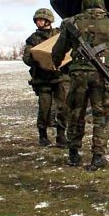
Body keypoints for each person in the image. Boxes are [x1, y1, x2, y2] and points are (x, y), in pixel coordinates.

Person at [51, 0, 109, 171]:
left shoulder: (72, 22)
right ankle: (98, 156)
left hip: (78, 74)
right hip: (101, 75)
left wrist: (56, 63)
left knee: (76, 112)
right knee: (101, 115)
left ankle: (73, 153)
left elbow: (58, 49)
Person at [22, 8, 68, 147]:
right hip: (43, 79)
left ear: (48, 20)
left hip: (59, 77)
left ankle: (61, 136)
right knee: (44, 108)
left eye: (41, 19)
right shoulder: (33, 39)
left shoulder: (59, 35)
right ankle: (43, 135)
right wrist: (37, 60)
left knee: (63, 108)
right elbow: (26, 57)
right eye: (37, 20)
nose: (38, 22)